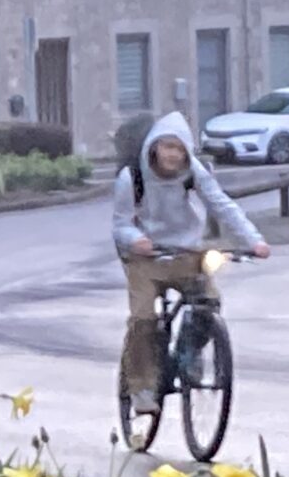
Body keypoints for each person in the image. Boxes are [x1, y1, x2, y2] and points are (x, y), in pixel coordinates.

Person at [111, 111, 269, 419]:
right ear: (154, 147)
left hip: (187, 254)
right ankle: (142, 387)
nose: (173, 155)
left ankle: (190, 354)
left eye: (179, 149)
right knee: (143, 319)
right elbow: (120, 224)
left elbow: (221, 205)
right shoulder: (132, 177)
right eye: (167, 147)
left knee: (208, 303)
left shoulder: (194, 172)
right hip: (146, 259)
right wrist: (135, 239)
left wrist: (254, 240)